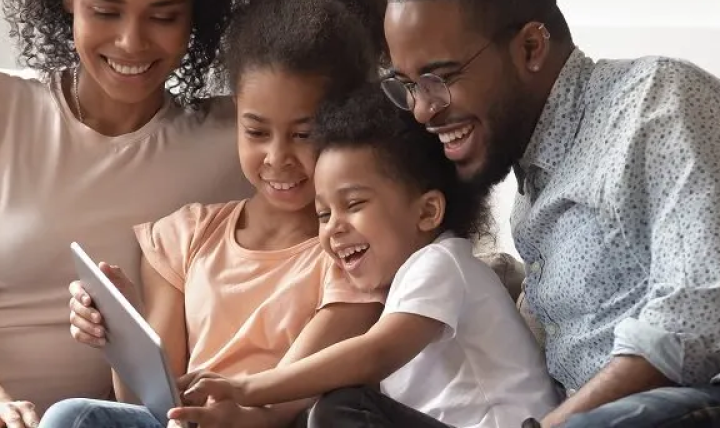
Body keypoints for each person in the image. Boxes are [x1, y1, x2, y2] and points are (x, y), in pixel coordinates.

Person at [39, 0, 396, 428]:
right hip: (178, 422)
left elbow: (289, 399)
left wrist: (232, 417)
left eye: (303, 134)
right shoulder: (185, 237)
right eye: (256, 130)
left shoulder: (349, 255)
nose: (277, 158)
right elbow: (149, 403)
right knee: (70, 417)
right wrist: (121, 331)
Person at [378, 0, 720, 428]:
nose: (423, 110)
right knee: (342, 408)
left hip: (686, 405)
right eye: (408, 86)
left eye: (440, 78)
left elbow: (700, 313)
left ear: (531, 48)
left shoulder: (654, 102)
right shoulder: (531, 189)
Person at [175, 84, 560, 428]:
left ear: (427, 212)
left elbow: (376, 353)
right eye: (323, 213)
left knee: (343, 407)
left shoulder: (443, 263)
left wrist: (247, 387)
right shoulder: (401, 292)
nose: (333, 228)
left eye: (354, 203)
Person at [0, 0, 252, 424]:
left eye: (164, 16)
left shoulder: (241, 143)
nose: (132, 42)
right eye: (106, 11)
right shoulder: (8, 111)